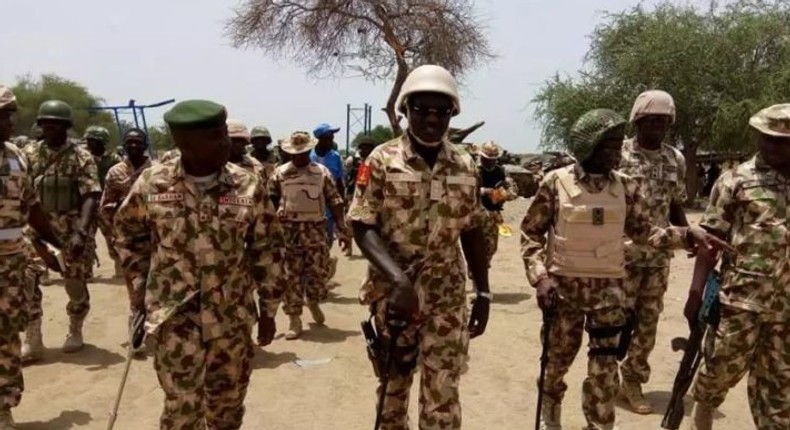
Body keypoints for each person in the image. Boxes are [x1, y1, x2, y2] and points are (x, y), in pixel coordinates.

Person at [520, 108, 729, 430]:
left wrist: (689, 235)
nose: (617, 153)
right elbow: (530, 233)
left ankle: (599, 424)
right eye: (609, 146)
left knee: (604, 369)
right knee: (556, 363)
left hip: (609, 295)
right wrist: (540, 277)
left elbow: (647, 232)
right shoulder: (555, 183)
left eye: (618, 145)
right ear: (588, 146)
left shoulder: (627, 187)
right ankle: (551, 416)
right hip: (564, 294)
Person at [114, 100, 285, 429]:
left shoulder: (247, 185)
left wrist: (269, 309)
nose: (227, 143)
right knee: (181, 409)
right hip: (174, 317)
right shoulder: (153, 183)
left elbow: (267, 249)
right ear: (185, 143)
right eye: (216, 136)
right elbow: (127, 232)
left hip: (231, 319)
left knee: (227, 408)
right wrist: (139, 290)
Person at [349, 64, 491, 430]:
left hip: (447, 297)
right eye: (422, 110)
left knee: (443, 390)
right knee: (394, 387)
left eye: (441, 111)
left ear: (452, 114)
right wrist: (398, 281)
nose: (432, 119)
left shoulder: (465, 163)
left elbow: (472, 230)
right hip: (394, 295)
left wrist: (484, 292)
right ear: (406, 110)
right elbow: (362, 224)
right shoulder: (381, 160)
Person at [685, 103, 790, 430]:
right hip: (740, 299)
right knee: (720, 367)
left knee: (780, 382)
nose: (772, 146)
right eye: (766, 138)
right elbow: (709, 240)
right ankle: (703, 409)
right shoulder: (737, 180)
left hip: (786, 308)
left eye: (782, 141)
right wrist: (695, 292)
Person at [616, 90, 688, 413]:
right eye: (651, 120)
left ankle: (632, 379)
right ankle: (604, 377)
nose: (658, 126)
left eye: (663, 121)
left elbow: (675, 204)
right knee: (615, 320)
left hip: (659, 258)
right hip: (621, 256)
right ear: (638, 120)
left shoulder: (675, 159)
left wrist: (689, 239)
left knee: (648, 321)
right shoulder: (618, 154)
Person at [0, 86, 62, 429]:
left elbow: (32, 207)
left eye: (11, 113)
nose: (11, 120)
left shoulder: (17, 156)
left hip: (10, 263)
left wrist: (57, 243)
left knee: (7, 336)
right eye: (4, 114)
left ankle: (2, 407)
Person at [22, 100, 101, 357]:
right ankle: (33, 338)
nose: (50, 128)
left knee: (74, 285)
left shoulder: (81, 156)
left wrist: (81, 232)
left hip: (71, 231)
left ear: (66, 126)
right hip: (35, 230)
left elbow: (91, 194)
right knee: (28, 280)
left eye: (56, 124)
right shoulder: (29, 155)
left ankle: (75, 327)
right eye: (45, 123)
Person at [268, 131, 349, 340]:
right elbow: (270, 201)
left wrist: (342, 227)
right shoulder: (280, 173)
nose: (299, 157)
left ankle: (313, 300)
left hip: (315, 231)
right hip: (288, 232)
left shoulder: (321, 172)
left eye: (303, 152)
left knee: (319, 273)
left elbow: (335, 200)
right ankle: (294, 318)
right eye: (295, 153)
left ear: (309, 150)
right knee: (291, 277)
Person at [98, 127, 154, 352]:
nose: (133, 146)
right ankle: (137, 334)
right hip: (129, 242)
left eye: (138, 142)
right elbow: (105, 209)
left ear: (145, 145)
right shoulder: (115, 173)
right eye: (129, 142)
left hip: (157, 240)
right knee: (137, 289)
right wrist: (112, 238)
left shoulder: (157, 171)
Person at [84, 125, 123, 278]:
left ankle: (119, 266)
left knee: (113, 236)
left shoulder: (114, 160)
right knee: (86, 237)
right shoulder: (84, 158)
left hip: (107, 205)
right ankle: (87, 271)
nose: (88, 143)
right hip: (88, 204)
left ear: (101, 141)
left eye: (92, 140)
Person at [476, 141, 518, 272]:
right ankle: (477, 274)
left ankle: (481, 268)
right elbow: (462, 190)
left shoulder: (501, 172)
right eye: (488, 159)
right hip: (476, 213)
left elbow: (514, 191)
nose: (490, 162)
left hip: (494, 214)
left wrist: (501, 195)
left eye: (493, 159)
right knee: (476, 246)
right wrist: (484, 191)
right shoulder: (473, 170)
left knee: (492, 247)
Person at [311, 123, 345, 278]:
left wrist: (341, 205)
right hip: (309, 207)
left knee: (328, 241)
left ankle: (324, 266)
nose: (332, 139)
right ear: (320, 138)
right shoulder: (308, 156)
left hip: (329, 208)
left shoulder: (335, 157)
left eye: (332, 137)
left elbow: (339, 182)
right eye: (329, 137)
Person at [344, 136, 377, 256]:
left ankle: (365, 248)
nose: (366, 151)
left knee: (366, 222)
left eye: (369, 148)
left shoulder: (377, 160)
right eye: (363, 148)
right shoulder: (352, 160)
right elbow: (347, 176)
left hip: (369, 196)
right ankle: (349, 247)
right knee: (350, 221)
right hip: (354, 195)